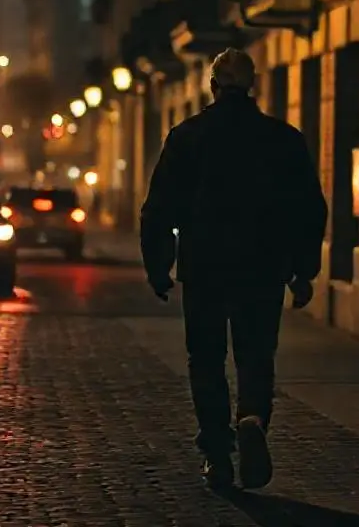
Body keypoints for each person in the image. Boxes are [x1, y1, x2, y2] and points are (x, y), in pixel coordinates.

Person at [139, 47, 328, 490]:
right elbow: (309, 210)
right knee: (256, 354)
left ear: (213, 86)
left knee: (205, 359)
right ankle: (252, 417)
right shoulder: (283, 139)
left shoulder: (187, 136)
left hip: (204, 267)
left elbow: (159, 209)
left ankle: (218, 453)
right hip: (264, 268)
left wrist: (159, 266)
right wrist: (304, 270)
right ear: (253, 85)